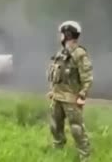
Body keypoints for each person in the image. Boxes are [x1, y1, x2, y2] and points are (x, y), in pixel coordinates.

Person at [46, 20, 93, 162]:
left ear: (67, 34)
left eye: (62, 34)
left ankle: (85, 155)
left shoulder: (79, 54)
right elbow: (56, 74)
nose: (60, 36)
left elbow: (87, 77)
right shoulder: (61, 53)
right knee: (55, 126)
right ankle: (58, 149)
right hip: (58, 97)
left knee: (76, 129)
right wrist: (53, 91)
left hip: (71, 98)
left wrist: (83, 94)